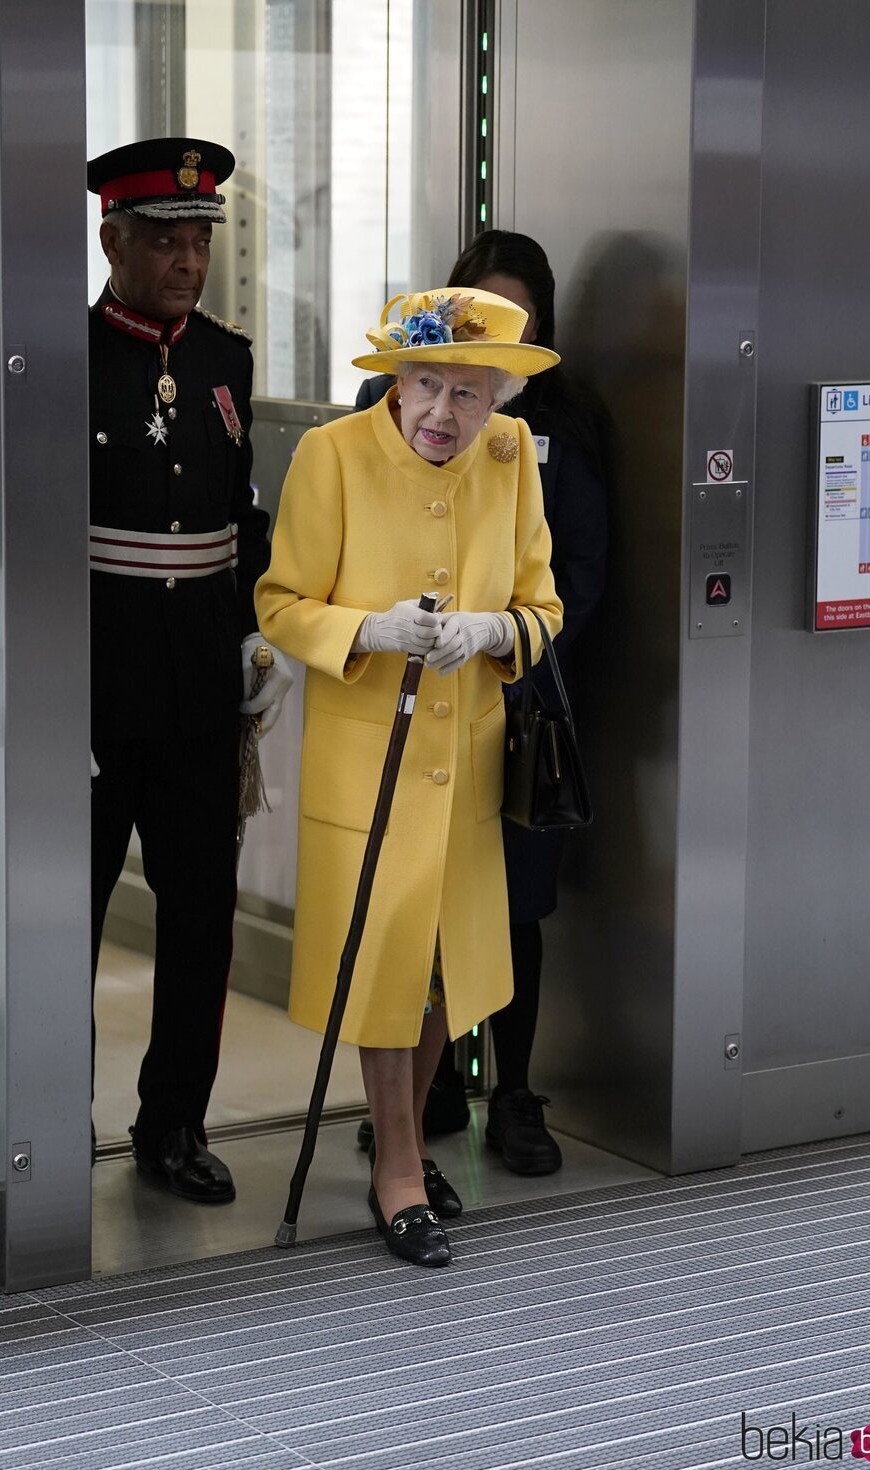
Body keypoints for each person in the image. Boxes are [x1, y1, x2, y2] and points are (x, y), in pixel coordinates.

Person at [257, 288, 561, 1265]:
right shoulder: (332, 456)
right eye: (426, 384)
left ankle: (405, 1143)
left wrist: (491, 632)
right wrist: (367, 630)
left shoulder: (511, 466)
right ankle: (397, 1166)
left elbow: (541, 607)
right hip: (367, 764)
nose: (441, 414)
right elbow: (278, 604)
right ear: (396, 378)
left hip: (463, 762)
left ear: (499, 400)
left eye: (469, 396)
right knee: (385, 961)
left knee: (442, 969)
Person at [357, 231, 608, 1176]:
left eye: (516, 324)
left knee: (509, 908)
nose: (470, 381)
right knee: (408, 915)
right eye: (475, 318)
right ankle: (411, 1113)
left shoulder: (563, 431)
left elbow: (579, 572)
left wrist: (508, 641)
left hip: (522, 700)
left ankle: (513, 1091)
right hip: (408, 701)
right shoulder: (392, 415)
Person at [86, 138, 292, 1203]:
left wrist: (253, 629)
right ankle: (43, 1120)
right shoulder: (64, 356)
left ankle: (172, 1125)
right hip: (90, 693)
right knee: (61, 915)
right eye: (163, 237)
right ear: (110, 237)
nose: (185, 258)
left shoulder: (222, 357)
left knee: (200, 917)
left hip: (199, 694)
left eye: (198, 237)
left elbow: (236, 518)